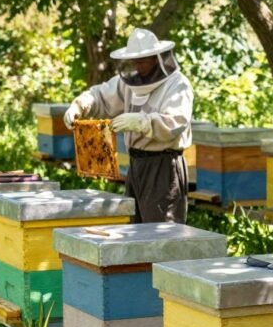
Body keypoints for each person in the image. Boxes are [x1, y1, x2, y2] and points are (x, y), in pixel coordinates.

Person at [63, 28, 194, 223]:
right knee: (136, 229)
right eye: (135, 61)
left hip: (164, 166)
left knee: (163, 232)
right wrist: (80, 105)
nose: (137, 66)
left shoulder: (177, 85)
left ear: (155, 57)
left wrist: (143, 122)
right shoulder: (129, 82)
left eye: (142, 61)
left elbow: (177, 122)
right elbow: (101, 95)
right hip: (136, 165)